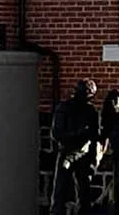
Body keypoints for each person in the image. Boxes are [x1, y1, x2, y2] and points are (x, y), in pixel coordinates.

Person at [50, 79, 102, 215]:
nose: (87, 96)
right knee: (60, 191)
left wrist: (93, 157)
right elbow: (57, 133)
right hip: (67, 153)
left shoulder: (91, 111)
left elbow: (95, 136)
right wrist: (78, 135)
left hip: (83, 155)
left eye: (89, 94)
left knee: (84, 192)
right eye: (85, 93)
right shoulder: (64, 108)